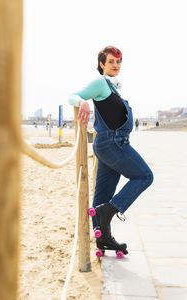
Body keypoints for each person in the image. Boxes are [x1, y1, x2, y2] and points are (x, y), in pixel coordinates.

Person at [68, 46, 153, 254]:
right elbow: (73, 95)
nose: (116, 65)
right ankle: (109, 211)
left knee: (103, 196)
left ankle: (103, 238)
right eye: (111, 62)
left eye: (118, 62)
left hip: (109, 145)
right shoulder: (100, 83)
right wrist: (82, 101)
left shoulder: (113, 88)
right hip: (114, 143)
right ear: (102, 64)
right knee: (145, 176)